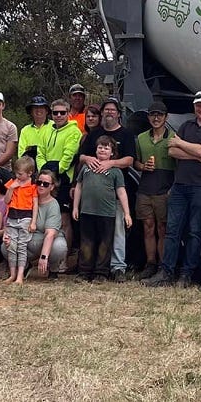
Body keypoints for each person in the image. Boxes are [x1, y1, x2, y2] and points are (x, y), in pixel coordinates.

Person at [144, 90, 201, 288]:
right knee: (172, 230)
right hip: (180, 185)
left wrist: (183, 144)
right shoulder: (186, 125)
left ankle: (186, 274)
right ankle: (166, 272)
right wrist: (197, 155)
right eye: (198, 105)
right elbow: (172, 151)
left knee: (195, 231)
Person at [77, 97, 137, 282]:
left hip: (115, 192)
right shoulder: (95, 133)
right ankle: (90, 269)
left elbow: (130, 160)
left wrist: (111, 163)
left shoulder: (126, 134)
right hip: (91, 200)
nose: (109, 112)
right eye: (106, 110)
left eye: (113, 110)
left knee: (116, 232)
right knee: (91, 235)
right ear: (102, 113)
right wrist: (88, 159)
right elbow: (81, 156)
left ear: (118, 114)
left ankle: (117, 267)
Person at [72, 136, 131, 283]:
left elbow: (121, 192)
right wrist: (75, 207)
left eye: (106, 148)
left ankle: (101, 273)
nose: (102, 150)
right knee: (86, 243)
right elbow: (79, 187)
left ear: (112, 153)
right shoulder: (86, 168)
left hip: (107, 213)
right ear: (96, 150)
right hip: (87, 212)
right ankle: (84, 272)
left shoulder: (116, 171)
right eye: (100, 147)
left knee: (105, 244)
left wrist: (127, 213)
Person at [134, 100, 175, 280]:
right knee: (148, 227)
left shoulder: (174, 138)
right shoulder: (141, 138)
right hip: (145, 188)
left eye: (159, 115)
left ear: (166, 117)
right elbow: (135, 162)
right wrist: (143, 166)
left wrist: (173, 188)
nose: (156, 118)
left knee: (162, 228)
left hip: (164, 189)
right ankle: (150, 263)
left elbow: (179, 165)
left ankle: (162, 266)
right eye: (152, 114)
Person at [41, 98, 82, 264]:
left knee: (64, 220)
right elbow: (40, 152)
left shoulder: (74, 131)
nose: (58, 115)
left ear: (68, 114)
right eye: (55, 113)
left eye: (62, 112)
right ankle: (47, 257)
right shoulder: (46, 130)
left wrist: (54, 173)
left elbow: (69, 156)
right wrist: (44, 172)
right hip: (45, 179)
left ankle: (64, 259)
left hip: (63, 179)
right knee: (46, 218)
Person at [2, 156, 39, 284]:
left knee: (22, 247)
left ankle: (20, 275)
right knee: (11, 246)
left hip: (25, 218)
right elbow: (6, 201)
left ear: (29, 173)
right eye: (16, 173)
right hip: (12, 217)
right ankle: (12, 274)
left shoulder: (33, 186)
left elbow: (35, 205)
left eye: (20, 174)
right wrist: (12, 188)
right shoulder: (12, 183)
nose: (17, 176)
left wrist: (33, 222)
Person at [30, 169, 68, 279]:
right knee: (6, 246)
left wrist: (43, 257)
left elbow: (50, 234)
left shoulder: (54, 204)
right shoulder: (28, 199)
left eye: (45, 184)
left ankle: (53, 269)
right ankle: (24, 266)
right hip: (31, 238)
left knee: (59, 246)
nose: (41, 186)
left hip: (48, 238)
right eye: (39, 182)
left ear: (52, 187)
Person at [18, 95, 52, 160]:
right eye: (35, 108)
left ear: (47, 111)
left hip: (50, 164)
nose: (38, 110)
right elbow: (21, 153)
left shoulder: (54, 126)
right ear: (31, 112)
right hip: (30, 164)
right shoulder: (25, 130)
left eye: (41, 107)